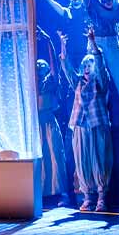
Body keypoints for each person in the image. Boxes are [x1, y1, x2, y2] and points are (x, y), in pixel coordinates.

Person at [61, 28, 114, 212]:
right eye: (84, 65)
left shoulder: (100, 82)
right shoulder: (77, 82)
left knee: (99, 160)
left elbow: (100, 66)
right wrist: (63, 45)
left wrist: (92, 43)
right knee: (82, 161)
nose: (86, 68)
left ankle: (101, 198)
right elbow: (67, 68)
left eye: (88, 65)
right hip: (80, 126)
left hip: (97, 125)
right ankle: (88, 197)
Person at [36, 0, 92, 64]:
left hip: (86, 51)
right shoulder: (66, 12)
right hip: (70, 53)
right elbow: (51, 1)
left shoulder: (86, 10)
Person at [37, 55, 72, 208]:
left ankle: (62, 193)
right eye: (37, 66)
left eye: (41, 66)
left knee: (55, 155)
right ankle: (42, 192)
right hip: (36, 123)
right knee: (42, 157)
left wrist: (49, 43)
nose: (39, 68)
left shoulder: (50, 82)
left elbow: (54, 70)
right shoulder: (33, 84)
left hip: (49, 121)